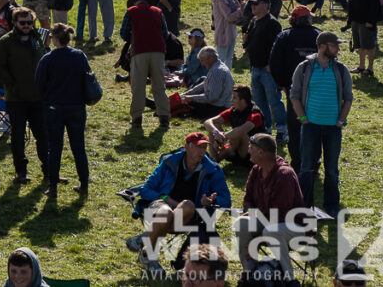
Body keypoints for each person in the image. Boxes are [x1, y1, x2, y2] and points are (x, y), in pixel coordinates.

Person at [125, 132, 231, 280]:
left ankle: (145, 240)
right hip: (162, 205)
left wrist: (211, 201)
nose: (202, 151)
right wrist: (165, 198)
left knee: (187, 205)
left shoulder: (212, 169)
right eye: (197, 147)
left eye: (204, 147)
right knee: (165, 213)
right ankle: (149, 256)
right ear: (187, 147)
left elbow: (226, 199)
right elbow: (146, 189)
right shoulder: (169, 162)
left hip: (189, 214)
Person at [290, 31, 353, 215]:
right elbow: (294, 95)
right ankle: (304, 207)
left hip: (333, 127)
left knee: (331, 169)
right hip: (311, 126)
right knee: (307, 167)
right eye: (335, 45)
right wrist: (303, 119)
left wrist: (341, 120)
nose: (338, 48)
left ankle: (331, 206)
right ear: (323, 46)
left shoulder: (341, 69)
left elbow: (348, 97)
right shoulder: (304, 67)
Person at [234, 133, 307, 286]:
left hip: (294, 228)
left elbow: (280, 216)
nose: (248, 151)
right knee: (242, 223)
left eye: (251, 148)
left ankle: (290, 280)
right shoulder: (256, 170)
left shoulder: (284, 175)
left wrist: (256, 241)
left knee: (272, 231)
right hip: (268, 222)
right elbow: (247, 200)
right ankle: (251, 273)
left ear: (261, 152)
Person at [35, 23, 91, 197]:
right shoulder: (79, 55)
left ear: (55, 38)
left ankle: (53, 187)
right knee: (79, 148)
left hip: (54, 108)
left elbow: (38, 84)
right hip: (76, 107)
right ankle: (83, 184)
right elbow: (88, 77)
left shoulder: (47, 59)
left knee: (55, 148)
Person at [0, 7, 49, 185]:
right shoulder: (5, 42)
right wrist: (13, 85)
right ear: (15, 23)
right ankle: (21, 172)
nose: (26, 26)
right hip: (16, 99)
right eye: (22, 23)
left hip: (38, 97)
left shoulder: (38, 38)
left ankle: (48, 170)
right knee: (18, 137)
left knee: (43, 135)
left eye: (29, 22)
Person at [268, 5, 320, 165]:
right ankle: (313, 160)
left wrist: (282, 84)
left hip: (293, 90)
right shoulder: (318, 36)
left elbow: (274, 63)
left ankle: (297, 161)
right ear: (308, 19)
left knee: (296, 125)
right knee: (315, 125)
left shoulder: (284, 36)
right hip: (316, 90)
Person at [121, 0, 170, 128]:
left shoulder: (131, 12)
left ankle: (137, 119)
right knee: (159, 85)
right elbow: (165, 34)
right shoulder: (158, 12)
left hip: (140, 52)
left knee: (138, 86)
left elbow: (123, 33)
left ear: (135, 3)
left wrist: (132, 40)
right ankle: (164, 118)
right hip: (158, 52)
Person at [242, 0, 285, 139]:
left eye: (256, 3)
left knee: (274, 101)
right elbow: (249, 44)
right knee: (260, 101)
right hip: (255, 67)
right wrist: (245, 41)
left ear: (266, 5)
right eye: (252, 4)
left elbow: (277, 47)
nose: (253, 6)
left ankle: (282, 130)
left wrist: (271, 64)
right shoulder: (254, 21)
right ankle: (266, 128)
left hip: (267, 69)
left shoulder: (273, 23)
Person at [203, 86, 263, 164]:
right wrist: (216, 132)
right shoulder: (233, 110)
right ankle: (213, 160)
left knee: (238, 135)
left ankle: (214, 162)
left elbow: (240, 131)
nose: (231, 100)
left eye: (234, 98)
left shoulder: (255, 114)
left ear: (243, 101)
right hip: (232, 149)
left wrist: (218, 139)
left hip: (249, 155)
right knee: (214, 126)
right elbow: (208, 122)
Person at [348, 0, 382, 77]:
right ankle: (361, 66)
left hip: (366, 18)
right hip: (356, 17)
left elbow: (374, 3)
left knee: (369, 44)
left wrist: (371, 20)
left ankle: (370, 68)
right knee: (359, 44)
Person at [179, 47, 234, 118]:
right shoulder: (217, 66)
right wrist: (188, 93)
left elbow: (211, 97)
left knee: (189, 103)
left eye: (202, 61)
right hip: (218, 103)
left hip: (219, 108)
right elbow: (204, 83)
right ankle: (182, 98)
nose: (202, 64)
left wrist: (191, 98)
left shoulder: (217, 71)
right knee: (202, 79)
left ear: (210, 58)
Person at [210, 0, 243, 69]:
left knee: (229, 58)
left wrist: (242, 7)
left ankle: (227, 80)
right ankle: (218, 79)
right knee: (221, 59)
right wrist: (240, 11)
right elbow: (228, 16)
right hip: (223, 32)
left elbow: (236, 8)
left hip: (231, 31)